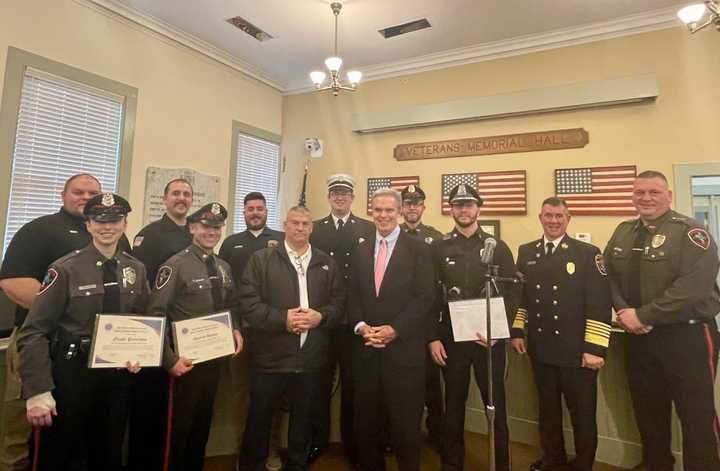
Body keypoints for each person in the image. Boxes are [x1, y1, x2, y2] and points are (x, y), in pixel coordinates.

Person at [0, 173, 130, 471]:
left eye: (92, 193)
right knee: (25, 428)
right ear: (63, 195)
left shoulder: (116, 238)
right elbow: (12, 282)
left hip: (99, 351)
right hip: (42, 342)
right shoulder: (39, 230)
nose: (85, 197)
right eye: (78, 192)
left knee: (85, 431)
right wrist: (69, 312)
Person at [604, 170, 720, 471]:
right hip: (638, 338)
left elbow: (693, 289)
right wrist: (624, 313)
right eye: (640, 192)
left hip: (687, 338)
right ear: (632, 196)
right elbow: (608, 276)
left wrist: (643, 315)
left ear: (669, 196)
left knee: (697, 418)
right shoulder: (623, 231)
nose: (646, 198)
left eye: (654, 192)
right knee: (648, 414)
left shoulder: (691, 233)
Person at [238, 206, 345, 471]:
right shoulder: (261, 260)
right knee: (259, 420)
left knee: (303, 422)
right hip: (269, 358)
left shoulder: (325, 263)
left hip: (310, 359)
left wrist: (320, 316)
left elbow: (339, 302)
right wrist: (282, 318)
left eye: (305, 224)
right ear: (285, 225)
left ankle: (297, 466)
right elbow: (248, 304)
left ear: (312, 228)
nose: (300, 228)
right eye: (295, 223)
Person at [511, 197, 611, 471]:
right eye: (548, 216)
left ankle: (583, 465)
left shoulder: (588, 253)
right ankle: (553, 459)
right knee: (548, 412)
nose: (553, 221)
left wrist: (595, 348)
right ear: (540, 218)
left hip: (578, 352)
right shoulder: (527, 251)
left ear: (568, 219)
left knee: (582, 416)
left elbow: (600, 303)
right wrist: (518, 330)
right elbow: (523, 297)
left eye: (559, 216)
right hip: (542, 349)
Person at [428, 183, 519, 471]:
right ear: (451, 209)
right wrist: (432, 338)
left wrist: (498, 331)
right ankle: (452, 465)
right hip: (452, 341)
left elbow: (512, 294)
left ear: (478, 208)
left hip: (488, 341)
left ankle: (501, 465)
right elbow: (430, 295)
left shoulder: (497, 247)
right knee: (452, 407)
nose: (463, 210)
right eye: (458, 205)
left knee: (497, 407)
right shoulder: (439, 248)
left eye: (468, 205)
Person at [146, 202, 243, 471]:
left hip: (214, 358)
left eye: (216, 227)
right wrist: (169, 360)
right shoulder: (174, 266)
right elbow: (155, 315)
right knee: (179, 430)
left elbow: (231, 304)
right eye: (205, 226)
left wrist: (234, 328)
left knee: (202, 424)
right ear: (192, 228)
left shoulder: (223, 266)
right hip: (184, 363)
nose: (211, 232)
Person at [349, 188, 435, 471]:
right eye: (377, 210)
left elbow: (425, 297)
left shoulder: (419, 249)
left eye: (389, 210)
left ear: (399, 212)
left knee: (405, 428)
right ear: (370, 211)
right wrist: (362, 327)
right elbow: (354, 295)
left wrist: (395, 329)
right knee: (367, 425)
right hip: (367, 351)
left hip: (404, 353)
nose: (383, 215)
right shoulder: (361, 249)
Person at [308, 174, 374, 466]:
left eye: (345, 193)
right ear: (329, 196)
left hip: (354, 320)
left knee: (353, 387)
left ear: (353, 197)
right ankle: (316, 441)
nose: (340, 197)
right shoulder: (316, 229)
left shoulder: (367, 228)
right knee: (319, 384)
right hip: (323, 317)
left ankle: (353, 446)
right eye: (335, 192)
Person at [128, 178, 193, 471]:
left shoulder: (196, 232)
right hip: (156, 334)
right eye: (176, 193)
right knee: (149, 412)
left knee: (179, 414)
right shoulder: (149, 236)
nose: (181, 198)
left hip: (187, 336)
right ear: (164, 199)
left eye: (187, 194)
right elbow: (142, 293)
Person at [218, 191, 284, 471]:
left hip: (275, 331)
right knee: (242, 396)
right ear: (243, 212)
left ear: (267, 210)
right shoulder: (231, 244)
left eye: (260, 208)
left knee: (274, 396)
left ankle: (271, 450)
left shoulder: (281, 240)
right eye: (250, 209)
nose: (255, 212)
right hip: (241, 331)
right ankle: (242, 453)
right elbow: (225, 289)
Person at [399, 184, 444, 449]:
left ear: (423, 208)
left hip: (428, 320)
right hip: (400, 320)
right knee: (400, 384)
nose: (412, 208)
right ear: (401, 208)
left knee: (432, 384)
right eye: (407, 203)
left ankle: (436, 433)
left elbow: (439, 283)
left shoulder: (435, 238)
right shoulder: (391, 235)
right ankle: (401, 436)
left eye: (416, 203)